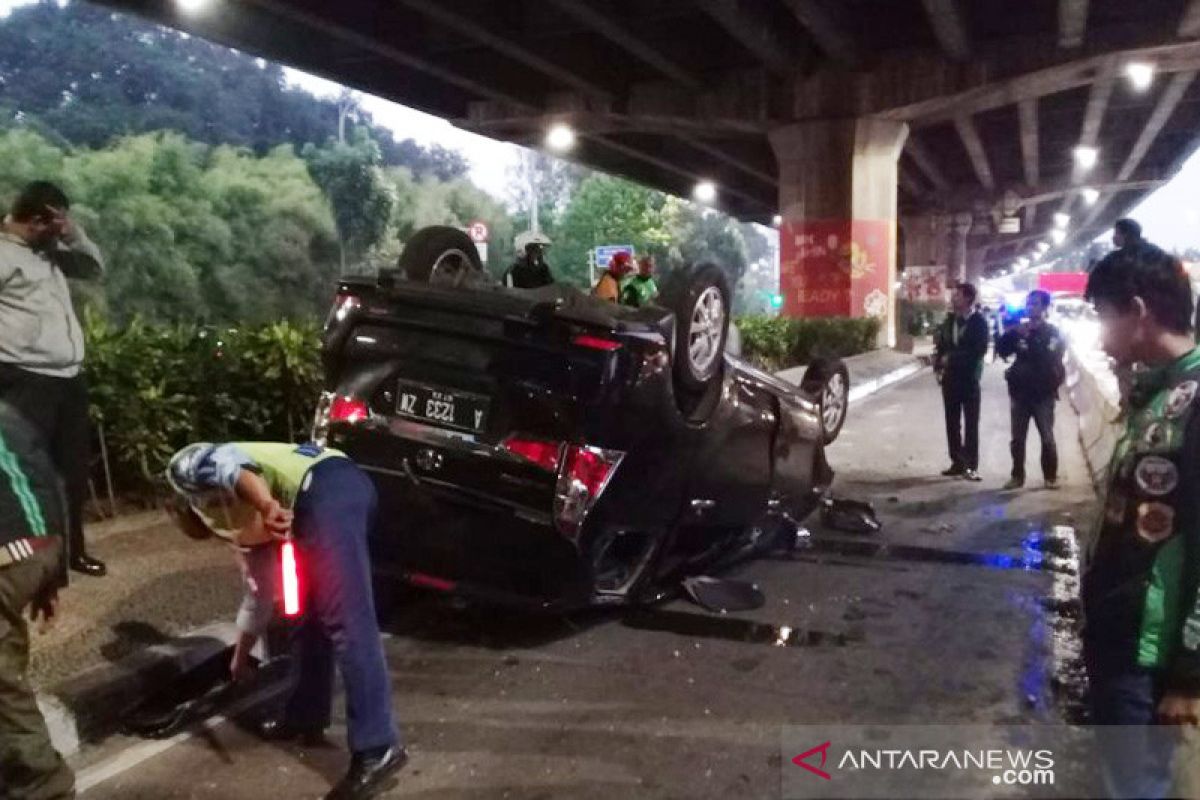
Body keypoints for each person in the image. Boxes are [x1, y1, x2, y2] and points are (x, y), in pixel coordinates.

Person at [166, 441, 406, 800]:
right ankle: (304, 714)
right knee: (304, 612)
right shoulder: (227, 517)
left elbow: (233, 466)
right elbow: (259, 593)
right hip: (316, 500)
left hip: (327, 488)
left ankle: (378, 747)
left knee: (347, 621)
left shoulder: (184, 469)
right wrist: (240, 652)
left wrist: (265, 505)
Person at [1082, 244, 1200, 799]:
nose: (1101, 330)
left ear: (1137, 310)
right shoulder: (1161, 393)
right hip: (1120, 635)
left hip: (1150, 657)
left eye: (1104, 314)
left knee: (1136, 788)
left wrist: (1189, 676)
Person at [0, 181, 106, 577]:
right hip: (24, 381)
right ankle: (33, 563)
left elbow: (94, 269)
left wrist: (72, 234)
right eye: (56, 222)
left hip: (68, 378)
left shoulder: (51, 252)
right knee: (30, 476)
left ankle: (71, 553)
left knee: (73, 475)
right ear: (37, 219)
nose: (62, 230)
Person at [0, 401, 73, 800]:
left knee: (3, 688)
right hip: (41, 548)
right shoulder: (10, 414)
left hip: (7, 555)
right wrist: (51, 578)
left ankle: (43, 785)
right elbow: (52, 481)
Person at [997, 290, 1066, 490]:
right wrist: (1010, 332)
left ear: (1045, 308)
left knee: (1047, 438)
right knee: (1018, 439)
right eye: (1028, 304)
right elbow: (1003, 351)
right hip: (1020, 393)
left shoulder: (1052, 333)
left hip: (1043, 395)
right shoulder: (1020, 331)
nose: (1030, 307)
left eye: (1035, 304)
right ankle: (1017, 475)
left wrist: (1031, 338)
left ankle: (1050, 477)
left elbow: (1047, 358)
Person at [934, 282, 988, 481]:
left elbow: (978, 350)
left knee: (971, 424)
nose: (952, 298)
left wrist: (953, 358)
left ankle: (971, 465)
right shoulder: (949, 322)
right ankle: (957, 461)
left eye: (957, 295)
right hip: (950, 379)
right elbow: (941, 346)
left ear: (967, 299)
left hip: (969, 379)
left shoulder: (978, 323)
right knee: (952, 422)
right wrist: (939, 363)